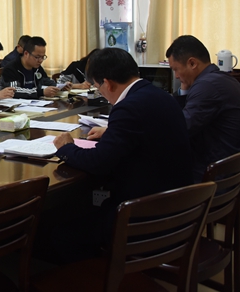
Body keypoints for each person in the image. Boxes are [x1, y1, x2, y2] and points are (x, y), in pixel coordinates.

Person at [49, 48, 192, 262]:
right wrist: (112, 132)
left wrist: (66, 148)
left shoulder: (128, 108)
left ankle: (100, 272)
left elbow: (99, 163)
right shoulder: (161, 95)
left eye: (97, 87)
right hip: (179, 205)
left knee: (58, 232)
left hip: (144, 215)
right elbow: (147, 131)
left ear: (107, 83)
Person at [166, 35, 240, 181]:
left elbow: (181, 128)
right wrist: (184, 88)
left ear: (192, 63)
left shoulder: (207, 86)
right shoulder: (221, 79)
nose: (176, 76)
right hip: (228, 172)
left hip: (210, 176)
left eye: (176, 69)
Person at [0, 36, 67, 98]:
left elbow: (47, 81)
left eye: (42, 57)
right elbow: (14, 91)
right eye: (37, 57)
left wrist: (60, 87)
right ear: (26, 53)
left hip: (35, 103)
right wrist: (42, 92)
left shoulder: (37, 67)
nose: (40, 60)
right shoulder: (11, 68)